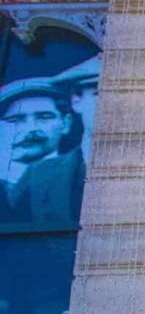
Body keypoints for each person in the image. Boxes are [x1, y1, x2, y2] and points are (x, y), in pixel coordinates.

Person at [0, 78, 85, 225]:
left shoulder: (82, 176)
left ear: (66, 123)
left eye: (44, 117)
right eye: (15, 120)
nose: (31, 128)